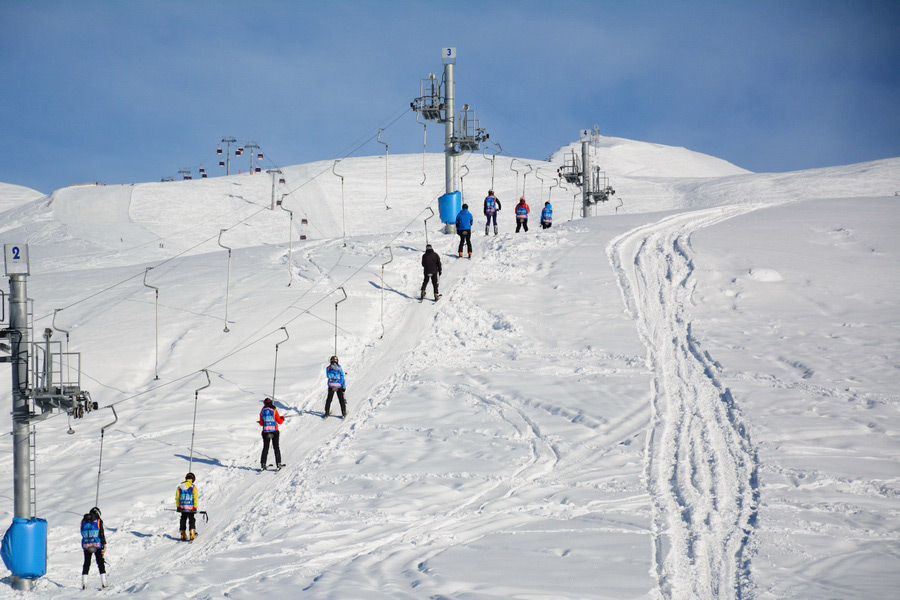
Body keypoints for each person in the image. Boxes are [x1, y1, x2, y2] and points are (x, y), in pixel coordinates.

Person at [80, 507, 108, 589]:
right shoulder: (98, 520)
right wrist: (104, 543)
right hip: (96, 543)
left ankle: (84, 583)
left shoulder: (83, 521)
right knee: (100, 562)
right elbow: (101, 533)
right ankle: (104, 582)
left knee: (86, 562)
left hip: (86, 544)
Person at [259, 398, 285, 470]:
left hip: (265, 432)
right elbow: (279, 421)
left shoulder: (262, 411)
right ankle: (278, 464)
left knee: (265, 448)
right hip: (274, 431)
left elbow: (261, 423)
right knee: (276, 447)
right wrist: (282, 418)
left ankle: (263, 464)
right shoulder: (274, 410)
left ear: (264, 403)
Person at [176, 472, 199, 541]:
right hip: (191, 508)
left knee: (183, 519)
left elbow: (177, 497)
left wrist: (178, 506)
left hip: (183, 507)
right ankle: (192, 532)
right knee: (191, 519)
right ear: (193, 479)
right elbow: (196, 498)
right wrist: (195, 507)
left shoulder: (180, 487)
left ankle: (183, 533)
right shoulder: (193, 487)